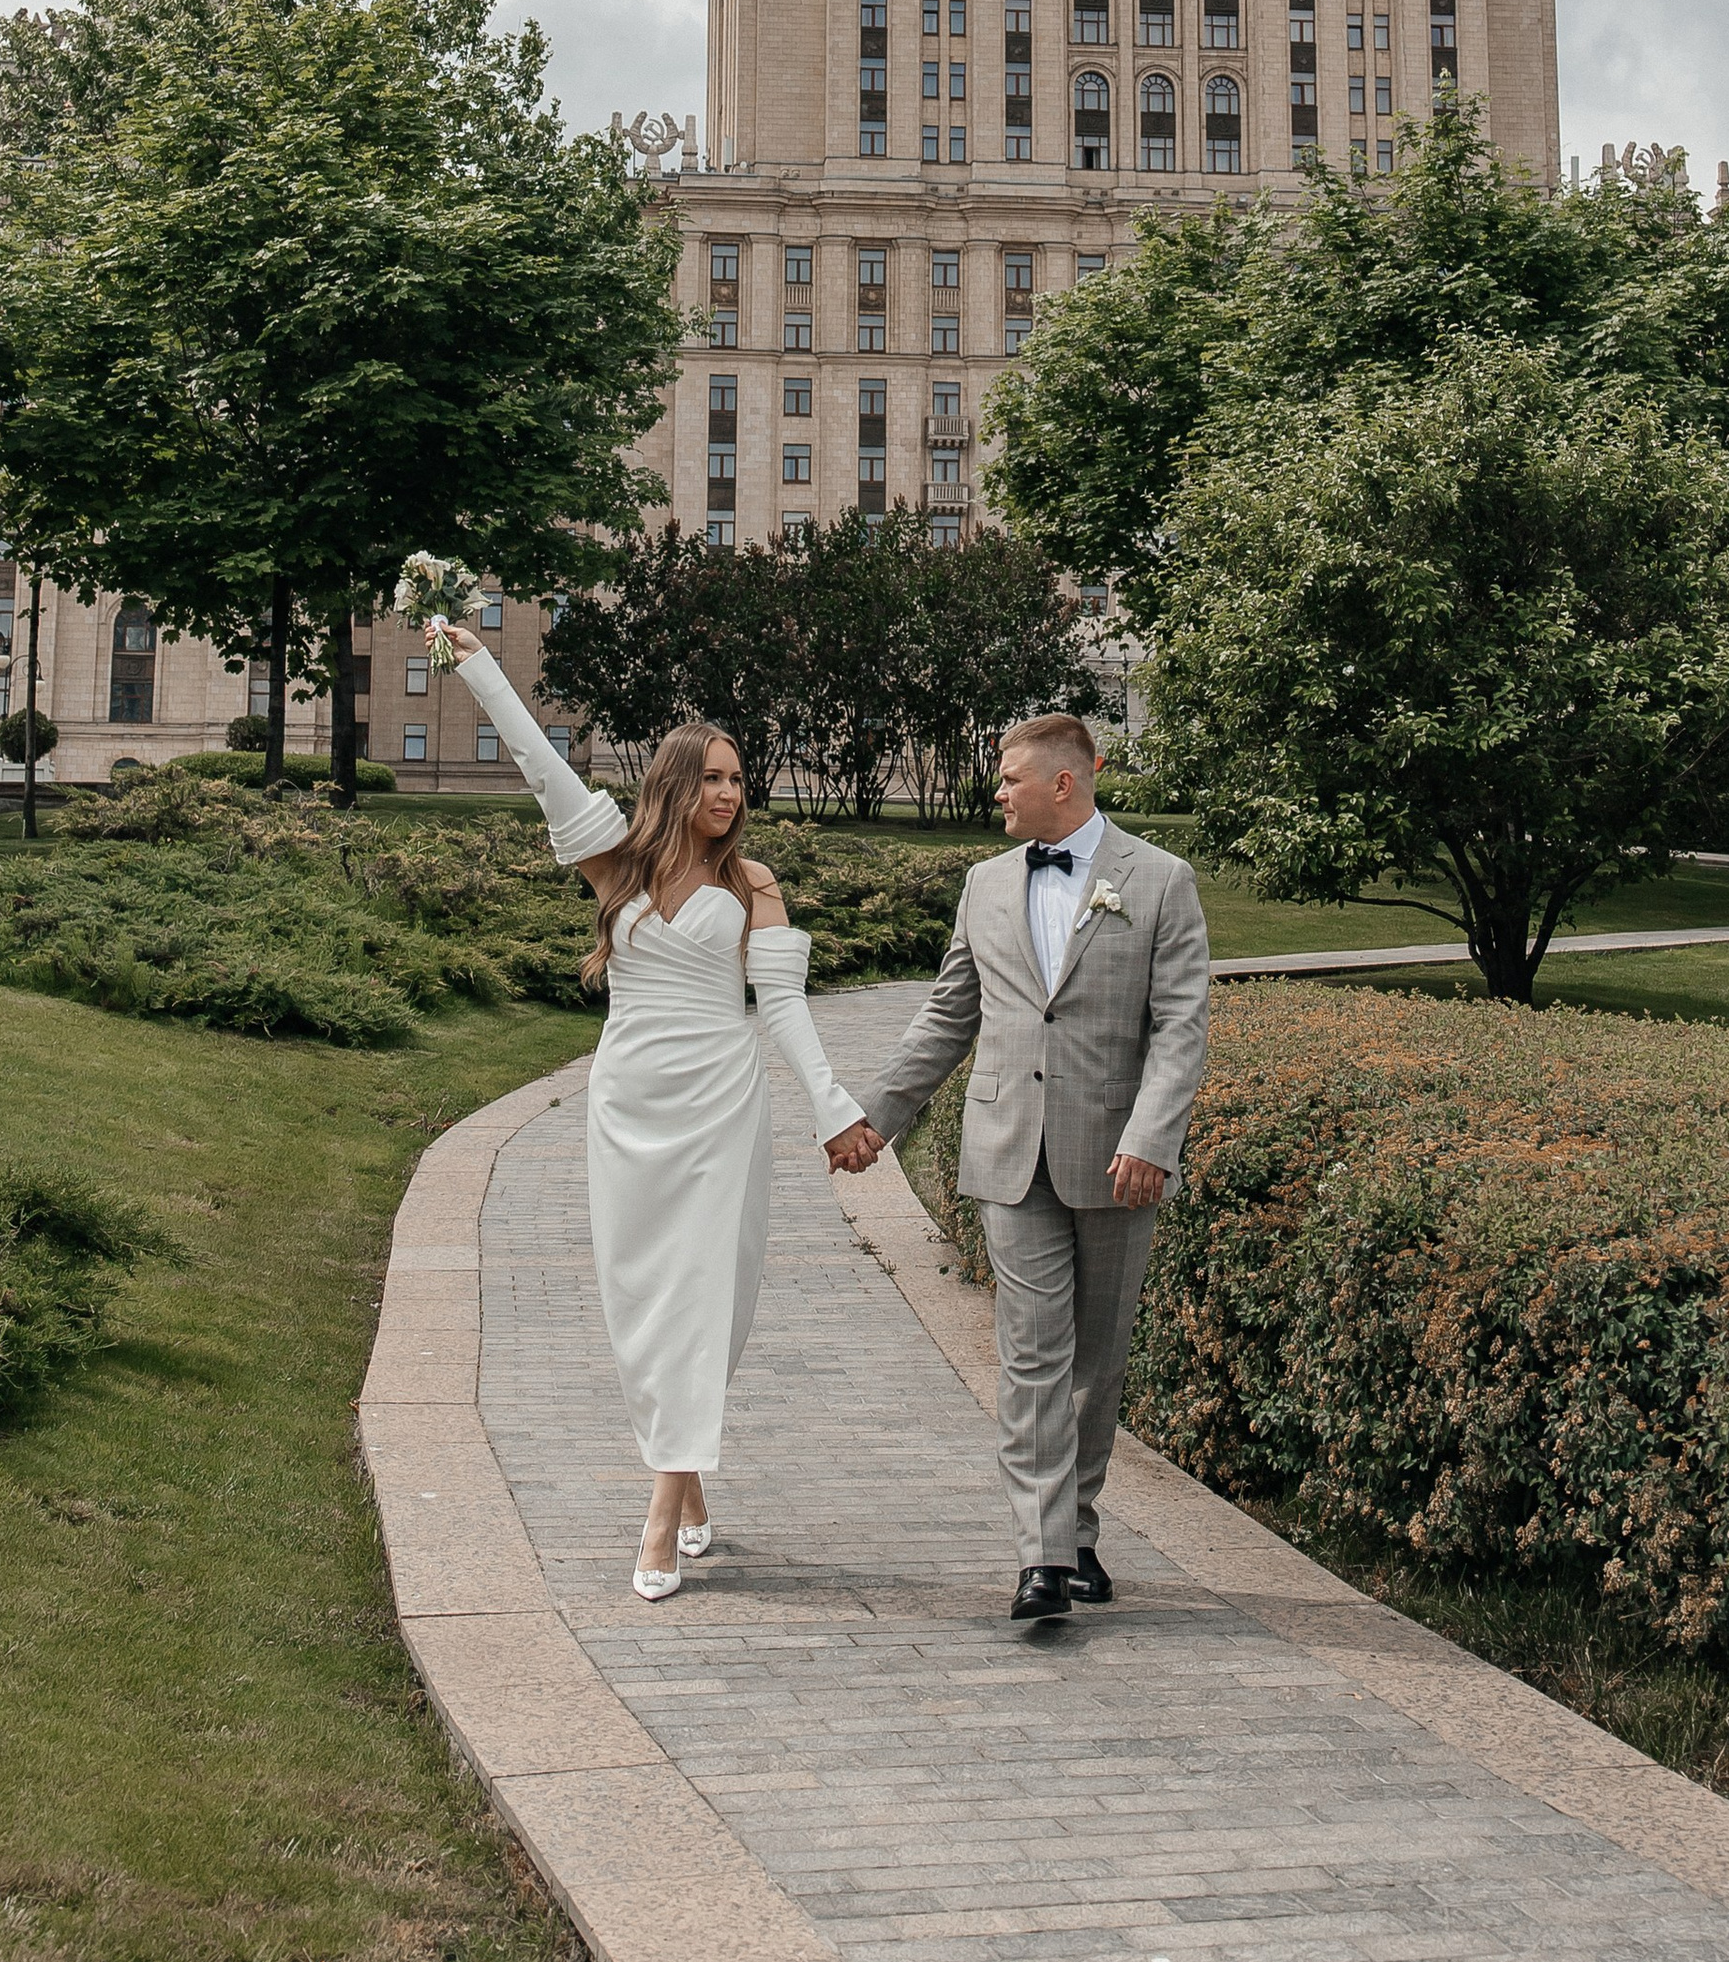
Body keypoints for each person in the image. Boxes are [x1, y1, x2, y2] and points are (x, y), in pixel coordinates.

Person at [444, 629, 868, 1597]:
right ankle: (693, 1492)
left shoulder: (753, 885)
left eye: (737, 779)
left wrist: (833, 1111)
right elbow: (535, 758)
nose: (729, 794)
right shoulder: (616, 866)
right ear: (677, 784)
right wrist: (472, 659)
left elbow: (786, 1009)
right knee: (643, 1304)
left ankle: (656, 1517)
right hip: (629, 1101)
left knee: (705, 1298)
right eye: (713, 778)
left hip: (722, 1104)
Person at [833, 710, 1211, 1625]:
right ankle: (1041, 1557)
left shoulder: (1160, 883)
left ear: (1064, 785)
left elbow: (1181, 1027)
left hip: (1118, 1161)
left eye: (1008, 779)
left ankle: (1078, 1529)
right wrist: (875, 1118)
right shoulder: (984, 886)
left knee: (1099, 1358)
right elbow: (946, 1016)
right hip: (1010, 1157)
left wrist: (1152, 1138)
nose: (994, 793)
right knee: (1032, 1355)